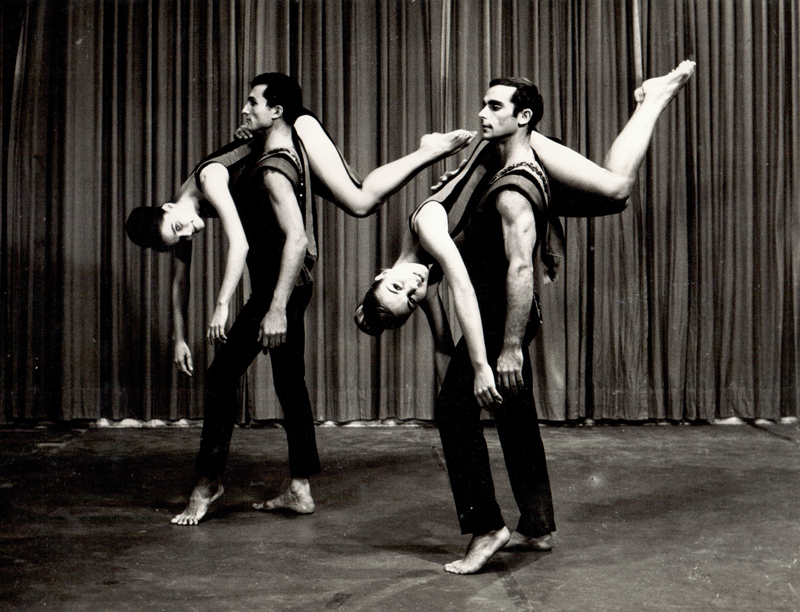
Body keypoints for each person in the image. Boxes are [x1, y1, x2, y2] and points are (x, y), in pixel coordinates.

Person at [355, 61, 695, 573]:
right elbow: (448, 341)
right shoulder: (421, 275)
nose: (415, 287)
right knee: (508, 407)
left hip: (503, 288)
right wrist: (461, 350)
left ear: (384, 271)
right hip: (507, 208)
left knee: (456, 413)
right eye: (410, 297)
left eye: (400, 285)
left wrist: (499, 355)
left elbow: (466, 287)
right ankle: (535, 523)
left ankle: (489, 526)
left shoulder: (426, 226)